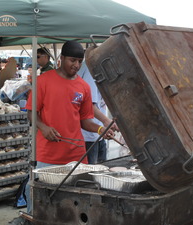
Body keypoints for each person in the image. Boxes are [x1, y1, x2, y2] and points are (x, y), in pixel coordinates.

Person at [8, 41, 115, 225]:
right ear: (61, 58)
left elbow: (85, 120)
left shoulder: (83, 87)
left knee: (73, 205)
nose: (76, 65)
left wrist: (100, 129)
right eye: (72, 60)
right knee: (41, 202)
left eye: (79, 61)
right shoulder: (43, 81)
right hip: (48, 155)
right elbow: (31, 114)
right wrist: (43, 127)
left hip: (76, 155)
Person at [77, 61, 119, 164]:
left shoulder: (97, 69)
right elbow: (89, 105)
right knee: (92, 174)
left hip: (98, 133)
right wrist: (106, 121)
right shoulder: (90, 70)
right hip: (89, 136)